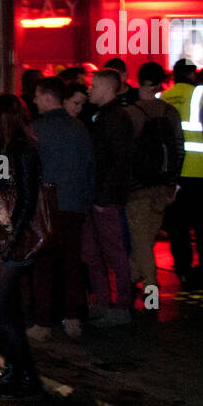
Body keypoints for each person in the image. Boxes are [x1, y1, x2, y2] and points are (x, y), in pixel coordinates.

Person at [0, 95, 43, 396]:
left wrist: (10, 239)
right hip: (4, 238)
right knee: (8, 311)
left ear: (2, 117)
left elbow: (27, 198)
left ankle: (26, 376)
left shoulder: (21, 149)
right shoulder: (3, 147)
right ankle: (21, 373)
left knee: (0, 308)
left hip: (13, 242)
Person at [29, 76, 95, 340]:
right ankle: (73, 318)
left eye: (36, 95)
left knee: (43, 265)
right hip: (74, 207)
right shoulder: (79, 129)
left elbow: (30, 171)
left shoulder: (35, 129)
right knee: (72, 264)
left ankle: (43, 322)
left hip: (46, 207)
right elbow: (90, 169)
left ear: (47, 97)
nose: (33, 100)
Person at [161, 58, 203, 287]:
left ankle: (183, 270)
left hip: (174, 175)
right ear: (192, 75)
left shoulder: (163, 98)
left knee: (177, 228)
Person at [123, 62, 184, 299]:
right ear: (160, 83)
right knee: (145, 240)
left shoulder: (130, 114)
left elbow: (125, 155)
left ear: (139, 81)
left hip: (137, 189)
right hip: (163, 187)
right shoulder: (170, 112)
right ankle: (132, 276)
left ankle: (150, 294)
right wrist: (173, 182)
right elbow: (179, 149)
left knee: (141, 243)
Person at [82, 69, 136, 325]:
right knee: (95, 251)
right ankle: (104, 301)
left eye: (94, 86)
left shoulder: (113, 118)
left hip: (104, 198)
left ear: (107, 88)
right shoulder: (106, 116)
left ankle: (121, 305)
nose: (89, 90)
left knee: (113, 252)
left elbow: (118, 162)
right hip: (99, 197)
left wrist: (104, 198)